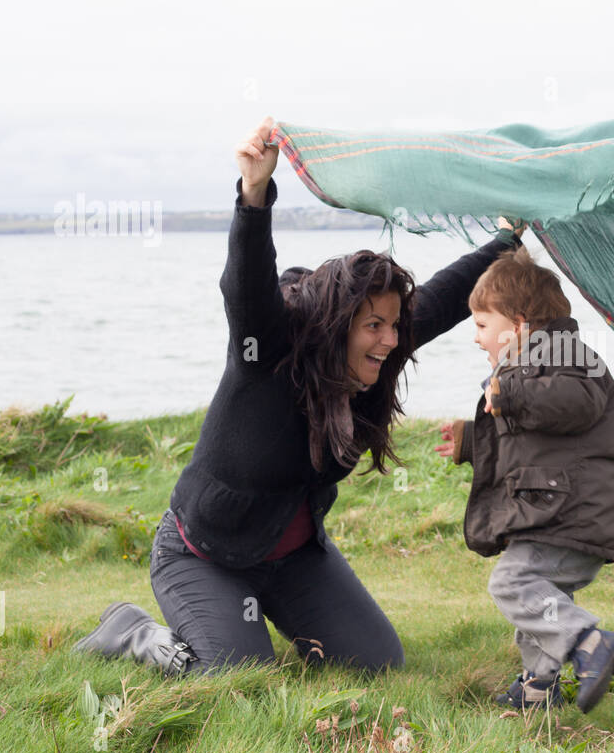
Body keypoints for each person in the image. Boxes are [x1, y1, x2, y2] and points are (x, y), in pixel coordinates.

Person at [74, 116, 521, 675]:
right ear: (339, 326)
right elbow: (246, 284)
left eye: (395, 326)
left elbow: (446, 294)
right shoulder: (266, 354)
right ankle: (134, 632)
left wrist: (509, 238)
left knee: (376, 663)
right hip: (203, 556)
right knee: (237, 676)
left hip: (293, 560)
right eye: (375, 326)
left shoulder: (376, 355)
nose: (390, 341)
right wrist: (254, 195)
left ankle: (256, 620)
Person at [434, 245, 614, 713]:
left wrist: (512, 394)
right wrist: (472, 443)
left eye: (482, 326)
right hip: (552, 508)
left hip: (568, 513)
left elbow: (573, 403)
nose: (476, 338)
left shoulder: (568, 357)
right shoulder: (528, 369)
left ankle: (589, 644)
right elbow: (534, 441)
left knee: (513, 585)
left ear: (519, 324)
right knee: (539, 606)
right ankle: (539, 688)